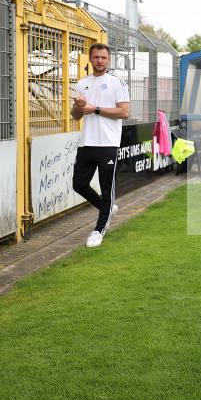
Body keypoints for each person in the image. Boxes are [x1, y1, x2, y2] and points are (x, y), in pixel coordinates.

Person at [70, 43, 130, 248]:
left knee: (106, 189)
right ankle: (107, 207)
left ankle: (98, 231)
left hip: (108, 143)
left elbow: (124, 112)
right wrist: (79, 107)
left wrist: (94, 108)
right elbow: (76, 114)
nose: (99, 61)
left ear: (109, 59)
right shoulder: (82, 83)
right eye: (96, 57)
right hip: (87, 142)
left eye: (103, 57)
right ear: (90, 58)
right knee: (78, 184)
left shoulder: (117, 82)